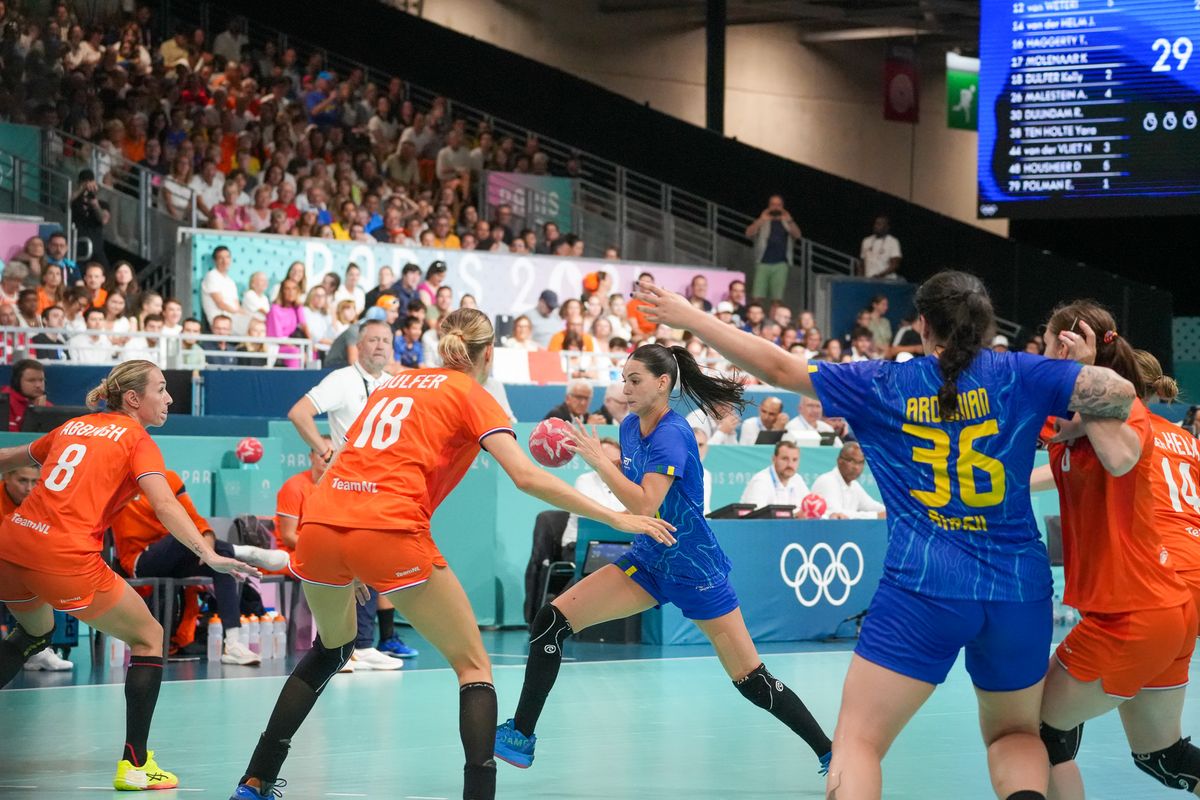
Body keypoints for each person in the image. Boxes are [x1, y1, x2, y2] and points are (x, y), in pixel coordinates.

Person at [632, 272, 1138, 800]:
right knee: (1014, 734)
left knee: (859, 742)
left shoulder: (881, 381)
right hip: (1017, 589)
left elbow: (779, 367)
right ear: (987, 326)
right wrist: (1077, 383)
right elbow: (1119, 394)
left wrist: (690, 318)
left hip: (922, 588)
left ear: (922, 325)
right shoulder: (1023, 372)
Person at [228, 309, 673, 800]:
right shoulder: (473, 395)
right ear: (488, 354)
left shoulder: (392, 384)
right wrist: (616, 518)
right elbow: (525, 476)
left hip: (321, 523)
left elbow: (352, 458)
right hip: (388, 528)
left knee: (330, 649)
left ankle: (255, 779)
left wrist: (349, 554)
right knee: (473, 666)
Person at [497, 342, 832, 779]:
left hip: (695, 568)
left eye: (635, 381)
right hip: (650, 560)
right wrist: (608, 468)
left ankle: (830, 751)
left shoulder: (673, 434)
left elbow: (644, 503)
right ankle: (520, 736)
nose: (626, 389)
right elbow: (637, 503)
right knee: (551, 621)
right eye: (623, 380)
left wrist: (599, 462)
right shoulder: (629, 426)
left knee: (750, 678)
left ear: (662, 383)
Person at [0, 360, 257, 790]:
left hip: (11, 547)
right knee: (149, 637)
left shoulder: (74, 426)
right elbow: (166, 505)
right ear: (134, 398)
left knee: (32, 633)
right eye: (162, 389)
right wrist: (208, 554)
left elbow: (8, 458)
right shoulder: (137, 439)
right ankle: (135, 765)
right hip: (64, 558)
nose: (169, 398)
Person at [1033, 304, 1197, 800]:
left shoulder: (1126, 416)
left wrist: (1084, 377)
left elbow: (1121, 459)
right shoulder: (1075, 420)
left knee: (1036, 731)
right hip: (1170, 598)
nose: (1038, 354)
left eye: (1046, 344)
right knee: (1161, 757)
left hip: (1139, 603)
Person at [285, 318, 414, 665]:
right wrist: (326, 452)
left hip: (384, 488)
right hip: (349, 487)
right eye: (373, 340)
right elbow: (299, 413)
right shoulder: (341, 380)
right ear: (358, 346)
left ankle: (361, 644)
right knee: (357, 562)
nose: (380, 346)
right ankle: (356, 646)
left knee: (374, 564)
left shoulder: (394, 386)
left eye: (386, 340)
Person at [111, 469, 286, 665]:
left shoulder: (169, 478)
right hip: (140, 561)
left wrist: (207, 536)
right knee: (180, 536)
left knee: (222, 561)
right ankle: (245, 551)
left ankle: (233, 644)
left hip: (177, 556)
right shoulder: (114, 484)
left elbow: (191, 516)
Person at [0, 465, 71, 672]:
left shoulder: (41, 502)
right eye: (23, 480)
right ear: (6, 477)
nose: (29, 488)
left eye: (34, 482)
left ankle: (39, 650)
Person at [744, 195, 801, 302]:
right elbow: (748, 233)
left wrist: (789, 220)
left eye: (778, 205)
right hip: (763, 262)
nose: (775, 207)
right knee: (757, 297)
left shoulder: (786, 222)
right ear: (769, 206)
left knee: (777, 299)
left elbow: (797, 235)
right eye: (773, 204)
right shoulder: (763, 221)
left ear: (782, 206)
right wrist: (761, 219)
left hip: (781, 263)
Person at [810, 443, 886, 520]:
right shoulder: (827, 480)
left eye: (861, 462)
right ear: (839, 461)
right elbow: (836, 514)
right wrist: (876, 516)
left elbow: (872, 506)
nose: (856, 467)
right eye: (852, 461)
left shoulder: (854, 485)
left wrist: (890, 511)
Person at [739, 441, 809, 514]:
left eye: (794, 460)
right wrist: (795, 516)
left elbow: (809, 508)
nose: (790, 464)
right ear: (774, 459)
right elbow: (755, 516)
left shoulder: (797, 479)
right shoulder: (761, 480)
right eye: (785, 459)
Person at [1, 360, 51, 432]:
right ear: (17, 382)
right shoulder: (3, 404)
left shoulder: (47, 406)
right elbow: (12, 437)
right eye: (31, 380)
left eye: (41, 380)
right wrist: (35, 412)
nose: (38, 385)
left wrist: (40, 410)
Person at [201, 246, 240, 326]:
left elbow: (237, 305)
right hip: (218, 320)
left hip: (233, 317)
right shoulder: (211, 276)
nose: (225, 261)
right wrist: (238, 313)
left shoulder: (230, 282)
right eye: (221, 258)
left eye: (227, 257)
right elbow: (220, 304)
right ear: (215, 261)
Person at [859, 215, 902, 280]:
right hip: (869, 280)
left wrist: (880, 276)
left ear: (887, 227)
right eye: (875, 223)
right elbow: (862, 263)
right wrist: (861, 278)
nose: (875, 226)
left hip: (887, 280)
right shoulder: (866, 241)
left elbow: (895, 264)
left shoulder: (893, 241)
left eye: (879, 224)